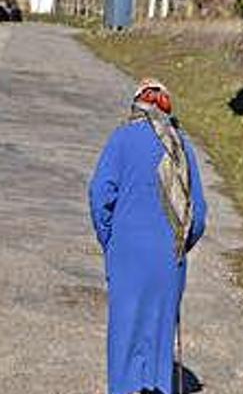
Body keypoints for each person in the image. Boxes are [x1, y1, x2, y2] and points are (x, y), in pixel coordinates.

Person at [89, 79, 208, 394]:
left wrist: (110, 240)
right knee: (159, 332)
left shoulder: (122, 139)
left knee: (125, 332)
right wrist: (181, 246)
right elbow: (198, 217)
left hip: (127, 253)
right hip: (168, 257)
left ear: (136, 106)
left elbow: (99, 193)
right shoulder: (182, 146)